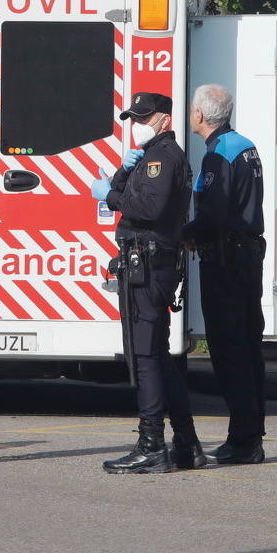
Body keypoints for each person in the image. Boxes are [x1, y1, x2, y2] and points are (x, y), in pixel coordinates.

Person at [91, 92, 203, 473]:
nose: (137, 124)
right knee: (155, 355)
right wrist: (122, 174)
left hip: (149, 263)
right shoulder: (151, 155)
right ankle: (185, 442)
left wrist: (110, 194)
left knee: (145, 356)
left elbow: (149, 209)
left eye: (145, 117)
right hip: (148, 261)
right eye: (134, 117)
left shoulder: (161, 157)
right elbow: (133, 195)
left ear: (164, 120)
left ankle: (152, 443)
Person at [183, 84, 267, 465]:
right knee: (248, 348)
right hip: (247, 256)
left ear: (200, 115)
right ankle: (250, 435)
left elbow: (213, 215)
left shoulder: (218, 155)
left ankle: (244, 439)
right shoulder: (244, 145)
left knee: (230, 350)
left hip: (226, 260)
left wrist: (183, 235)